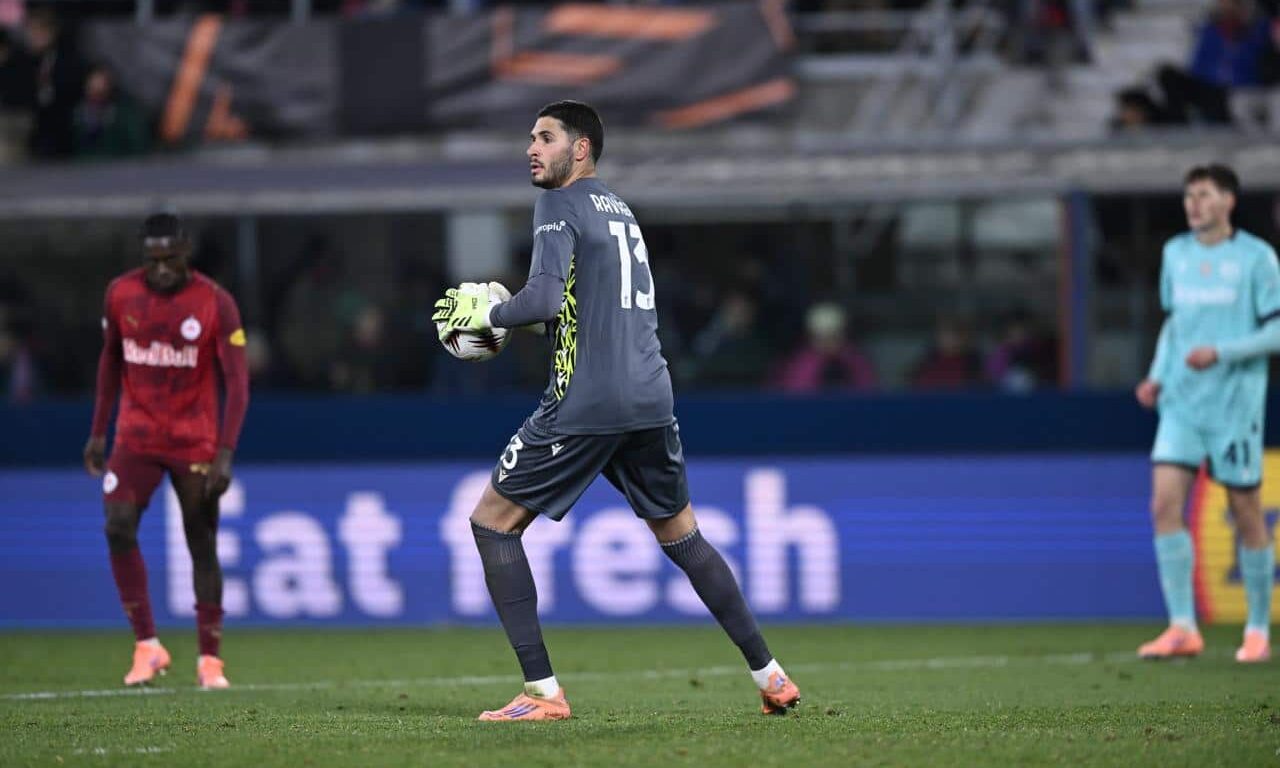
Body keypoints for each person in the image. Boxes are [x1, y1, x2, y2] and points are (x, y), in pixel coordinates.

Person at [431, 100, 801, 721]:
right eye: (529, 137)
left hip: (587, 400)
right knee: (683, 535)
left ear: (580, 150)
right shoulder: (620, 210)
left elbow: (544, 299)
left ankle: (541, 694)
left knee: (492, 523)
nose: (531, 148)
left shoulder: (557, 204)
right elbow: (584, 302)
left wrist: (487, 316)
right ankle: (772, 677)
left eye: (545, 137)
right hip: (652, 395)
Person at [84, 213, 250, 688]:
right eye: (152, 260)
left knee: (201, 540)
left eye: (170, 259)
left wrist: (225, 451)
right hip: (135, 436)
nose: (161, 270)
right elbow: (110, 361)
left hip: (194, 440)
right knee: (117, 526)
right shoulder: (120, 294)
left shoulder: (215, 302)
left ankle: (210, 660)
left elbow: (237, 383)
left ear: (186, 252)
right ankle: (147, 646)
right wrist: (99, 431)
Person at [1135, 164, 1280, 663]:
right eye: (1188, 196)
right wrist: (1156, 375)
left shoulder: (1257, 258)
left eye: (1203, 194)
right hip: (1181, 402)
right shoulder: (1175, 253)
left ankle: (1258, 629)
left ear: (1228, 201)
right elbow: (1174, 325)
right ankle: (1181, 627)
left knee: (1245, 511)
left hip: (1234, 405)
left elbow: (1277, 331)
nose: (1192, 204)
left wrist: (1221, 351)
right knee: (1162, 506)